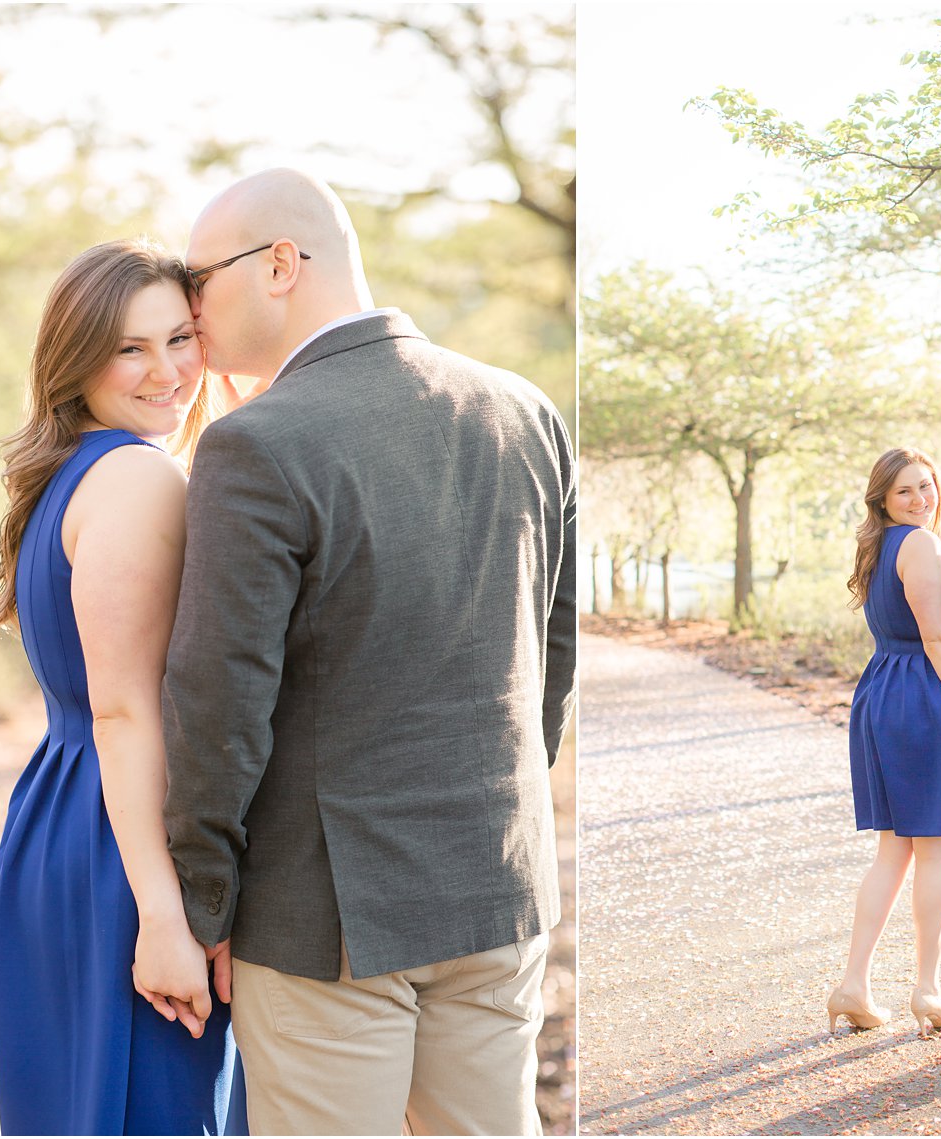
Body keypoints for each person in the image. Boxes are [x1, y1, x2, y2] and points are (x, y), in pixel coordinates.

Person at [157, 168, 576, 1135]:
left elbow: (218, 707)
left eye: (197, 278)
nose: (189, 307)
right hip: (498, 888)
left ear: (279, 264)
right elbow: (549, 663)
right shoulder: (527, 412)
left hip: (324, 920)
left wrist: (205, 907)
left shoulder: (255, 444)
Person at [0, 239, 246, 1134]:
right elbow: (127, 710)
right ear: (76, 357)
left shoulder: (74, 473)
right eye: (131, 347)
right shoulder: (136, 477)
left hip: (66, 821)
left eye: (182, 338)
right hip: (125, 850)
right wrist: (167, 917)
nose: (168, 371)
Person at [827, 447, 941, 1036]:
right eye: (905, 491)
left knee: (895, 849)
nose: (921, 499)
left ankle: (853, 984)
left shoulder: (881, 545)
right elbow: (937, 640)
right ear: (883, 499)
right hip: (922, 698)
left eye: (927, 486)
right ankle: (927, 989)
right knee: (933, 849)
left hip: (884, 692)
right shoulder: (919, 544)